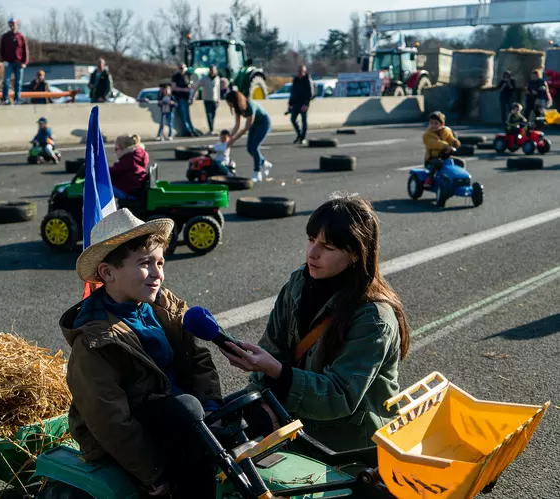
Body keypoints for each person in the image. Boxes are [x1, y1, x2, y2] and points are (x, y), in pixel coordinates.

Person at [220, 194, 411, 452]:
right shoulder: (298, 284)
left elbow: (340, 396)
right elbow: (274, 347)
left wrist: (277, 373)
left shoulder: (373, 317)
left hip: (352, 444)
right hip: (298, 420)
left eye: (328, 247)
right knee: (212, 429)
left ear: (356, 254)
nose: (313, 253)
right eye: (311, 240)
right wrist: (258, 398)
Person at [60, 208, 222, 498]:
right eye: (145, 263)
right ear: (108, 273)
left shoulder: (162, 307)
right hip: (135, 436)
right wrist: (152, 471)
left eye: (160, 262)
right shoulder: (94, 340)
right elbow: (109, 419)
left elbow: (197, 359)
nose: (158, 273)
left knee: (247, 416)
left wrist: (213, 408)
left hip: (181, 416)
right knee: (187, 410)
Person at [224, 87, 272, 183]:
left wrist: (233, 140)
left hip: (263, 123)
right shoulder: (237, 108)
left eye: (229, 102)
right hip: (255, 124)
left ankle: (257, 173)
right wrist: (228, 138)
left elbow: (246, 128)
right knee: (249, 149)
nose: (228, 104)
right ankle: (264, 163)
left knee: (254, 147)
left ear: (234, 101)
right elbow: (237, 126)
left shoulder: (249, 106)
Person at [422, 111, 460, 188]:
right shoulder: (427, 135)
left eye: (436, 123)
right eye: (431, 123)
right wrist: (445, 146)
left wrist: (455, 143)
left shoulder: (446, 131)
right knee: (437, 163)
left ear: (442, 124)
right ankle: (429, 179)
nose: (433, 125)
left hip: (445, 157)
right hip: (432, 158)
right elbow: (435, 143)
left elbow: (451, 139)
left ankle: (458, 180)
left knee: (459, 162)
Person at [0, 17, 29, 105]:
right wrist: (3, 60)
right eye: (11, 24)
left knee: (18, 82)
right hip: (8, 62)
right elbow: (1, 50)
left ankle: (17, 99)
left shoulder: (21, 37)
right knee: (6, 81)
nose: (12, 26)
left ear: (17, 24)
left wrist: (25, 62)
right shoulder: (5, 36)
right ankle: (5, 98)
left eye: (14, 24)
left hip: (19, 62)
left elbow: (25, 50)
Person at [110, 135, 148, 200]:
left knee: (99, 187)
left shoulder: (129, 159)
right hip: (135, 189)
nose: (115, 152)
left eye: (116, 149)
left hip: (129, 192)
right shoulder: (137, 156)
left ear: (123, 149)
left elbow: (113, 172)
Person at [289, 65, 315, 144]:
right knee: (293, 119)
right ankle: (299, 134)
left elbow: (311, 93)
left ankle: (303, 137)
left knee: (304, 120)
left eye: (301, 72)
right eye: (298, 72)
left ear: (304, 72)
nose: (299, 73)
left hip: (304, 103)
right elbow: (293, 92)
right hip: (296, 103)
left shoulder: (307, 80)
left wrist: (306, 104)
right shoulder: (296, 80)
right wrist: (290, 103)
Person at [193, 65, 221, 135]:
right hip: (207, 99)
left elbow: (218, 90)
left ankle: (212, 128)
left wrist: (219, 99)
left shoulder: (217, 78)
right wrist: (193, 96)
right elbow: (197, 86)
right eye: (211, 70)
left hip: (214, 99)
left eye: (213, 70)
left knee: (213, 115)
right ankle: (211, 129)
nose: (212, 71)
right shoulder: (204, 79)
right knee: (209, 114)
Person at [172, 63, 196, 136]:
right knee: (184, 115)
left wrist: (192, 96)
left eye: (183, 68)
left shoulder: (188, 75)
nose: (182, 69)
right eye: (180, 68)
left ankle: (192, 129)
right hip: (180, 97)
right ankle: (189, 131)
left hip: (187, 97)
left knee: (188, 115)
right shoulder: (176, 76)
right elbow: (174, 87)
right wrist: (184, 89)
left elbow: (192, 86)